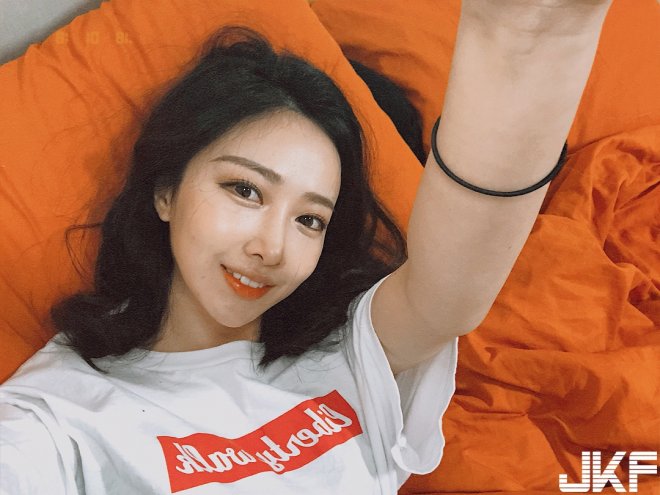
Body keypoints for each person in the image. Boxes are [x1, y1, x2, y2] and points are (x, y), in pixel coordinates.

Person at [0, 1, 613, 494]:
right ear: (166, 191)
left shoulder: (345, 348)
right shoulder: (58, 415)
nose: (272, 247)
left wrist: (532, 35)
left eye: (310, 220)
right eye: (245, 190)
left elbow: (451, 291)